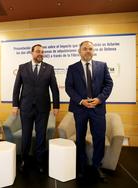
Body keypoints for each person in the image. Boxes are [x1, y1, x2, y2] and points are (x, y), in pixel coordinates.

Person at [65, 41, 113, 181]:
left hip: (97, 109)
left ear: (93, 51)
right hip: (80, 109)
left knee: (99, 138)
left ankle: (97, 166)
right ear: (79, 51)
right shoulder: (72, 68)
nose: (87, 51)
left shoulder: (102, 66)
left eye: (90, 49)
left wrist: (99, 99)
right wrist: (81, 101)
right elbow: (69, 87)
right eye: (84, 49)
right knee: (79, 138)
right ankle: (82, 167)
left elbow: (109, 84)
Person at [12, 44, 60, 173]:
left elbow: (54, 88)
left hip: (43, 108)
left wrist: (56, 105)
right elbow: (17, 88)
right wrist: (15, 105)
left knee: (41, 135)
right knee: (26, 135)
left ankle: (40, 162)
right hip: (26, 107)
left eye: (42, 52)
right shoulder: (22, 68)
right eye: (38, 51)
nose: (41, 54)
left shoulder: (49, 68)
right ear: (32, 53)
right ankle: (24, 160)